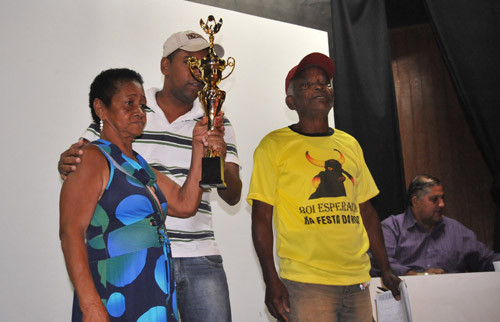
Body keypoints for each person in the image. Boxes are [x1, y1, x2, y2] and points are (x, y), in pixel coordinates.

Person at [58, 31, 242, 321]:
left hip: (159, 276)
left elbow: (184, 203)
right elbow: (71, 230)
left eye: (141, 105)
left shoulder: (141, 166)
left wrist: (201, 148)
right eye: (189, 62)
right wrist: (91, 304)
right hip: (118, 285)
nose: (139, 112)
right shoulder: (96, 154)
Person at [247, 52, 401, 322]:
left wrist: (385, 268)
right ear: (290, 101)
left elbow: (366, 211)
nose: (319, 86)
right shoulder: (273, 145)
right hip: (306, 282)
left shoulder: (350, 144)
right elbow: (261, 217)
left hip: (358, 279)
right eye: (307, 84)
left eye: (325, 82)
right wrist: (271, 281)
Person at [371, 174, 500, 276]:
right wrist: (417, 276)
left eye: (442, 198)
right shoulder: (393, 228)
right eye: (434, 199)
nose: (442, 204)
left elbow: (486, 260)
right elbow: (379, 261)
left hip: (451, 301)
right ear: (416, 202)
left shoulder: (456, 230)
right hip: (407, 299)